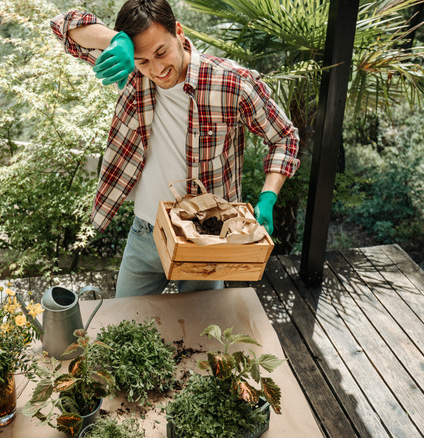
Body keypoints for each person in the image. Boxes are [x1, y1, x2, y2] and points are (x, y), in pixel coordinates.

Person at [50, 0, 300, 298]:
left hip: (208, 239)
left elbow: (284, 137)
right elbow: (61, 25)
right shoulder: (130, 69)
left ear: (179, 33)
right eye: (143, 60)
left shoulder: (231, 83)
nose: (156, 69)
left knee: (202, 336)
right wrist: (115, 40)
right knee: (124, 326)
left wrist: (269, 195)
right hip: (145, 232)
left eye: (161, 52)